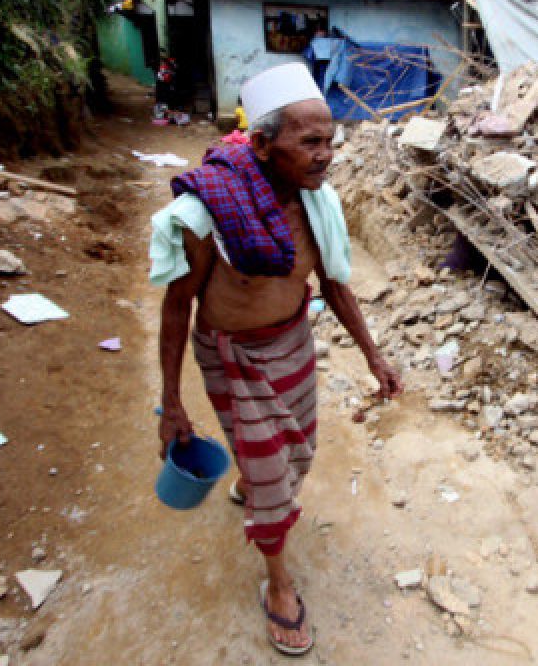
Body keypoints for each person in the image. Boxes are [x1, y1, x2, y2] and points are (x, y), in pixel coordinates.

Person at [150, 62, 402, 656]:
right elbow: (175, 308)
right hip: (231, 356)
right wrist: (170, 403)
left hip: (294, 346)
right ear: (263, 145)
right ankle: (280, 584)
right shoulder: (207, 216)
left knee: (298, 452)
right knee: (271, 478)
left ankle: (252, 475)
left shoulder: (321, 205)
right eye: (309, 142)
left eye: (330, 141)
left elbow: (335, 285)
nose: (326, 155)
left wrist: (373, 355)